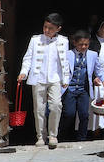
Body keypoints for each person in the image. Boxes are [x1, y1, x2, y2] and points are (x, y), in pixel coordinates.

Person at [17, 12, 69, 148]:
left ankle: (53, 135)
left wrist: (66, 78)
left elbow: (65, 61)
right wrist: (24, 72)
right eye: (45, 27)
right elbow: (28, 57)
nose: (46, 30)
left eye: (50, 28)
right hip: (38, 77)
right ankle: (40, 135)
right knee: (39, 108)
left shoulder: (64, 41)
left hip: (55, 78)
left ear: (58, 29)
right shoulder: (35, 40)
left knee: (56, 105)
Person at [61, 31, 99, 143]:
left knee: (84, 114)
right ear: (74, 43)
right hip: (70, 88)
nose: (83, 47)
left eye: (86, 45)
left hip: (83, 89)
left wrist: (99, 78)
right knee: (69, 113)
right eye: (81, 44)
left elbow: (98, 69)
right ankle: (62, 135)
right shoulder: (67, 54)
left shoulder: (93, 54)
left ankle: (82, 138)